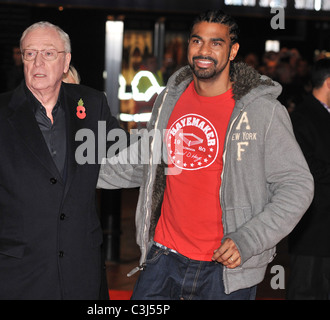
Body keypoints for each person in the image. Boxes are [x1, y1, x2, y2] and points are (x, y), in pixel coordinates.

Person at [98, 10, 314, 300]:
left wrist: (248, 240)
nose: (204, 51)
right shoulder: (171, 98)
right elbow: (144, 159)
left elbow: (297, 185)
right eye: (197, 41)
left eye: (216, 43)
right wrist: (71, 171)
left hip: (224, 270)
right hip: (163, 258)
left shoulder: (262, 111)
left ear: (233, 50)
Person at [0, 21, 121, 300]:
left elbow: (126, 152)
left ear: (66, 61)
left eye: (48, 54)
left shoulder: (91, 105)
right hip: (15, 275)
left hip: (81, 273)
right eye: (30, 54)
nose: (38, 62)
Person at [287, 58, 330, 300]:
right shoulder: (301, 117)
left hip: (323, 231)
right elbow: (306, 168)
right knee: (306, 291)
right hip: (312, 231)